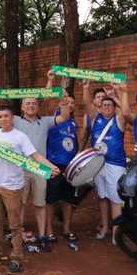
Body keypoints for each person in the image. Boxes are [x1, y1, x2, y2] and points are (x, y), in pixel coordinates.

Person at [0, 83, 70, 250]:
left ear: (38, 106)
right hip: (20, 169)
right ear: (22, 107)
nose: (31, 106)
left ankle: (42, 235)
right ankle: (20, 234)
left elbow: (64, 117)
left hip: (39, 168)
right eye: (27, 103)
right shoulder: (14, 120)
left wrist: (64, 103)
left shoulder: (45, 121)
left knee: (40, 203)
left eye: (34, 103)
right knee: (20, 204)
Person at [0, 107, 59, 274]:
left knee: (15, 225)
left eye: (6, 116)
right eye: (0, 116)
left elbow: (34, 155)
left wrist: (50, 166)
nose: (3, 119)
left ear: (12, 118)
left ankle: (16, 258)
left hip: (13, 187)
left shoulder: (20, 136)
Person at [83, 81, 127, 242]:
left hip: (115, 165)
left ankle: (117, 233)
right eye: (104, 104)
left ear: (114, 107)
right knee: (102, 197)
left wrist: (117, 93)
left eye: (110, 104)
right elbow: (88, 103)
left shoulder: (119, 120)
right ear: (99, 107)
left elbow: (125, 109)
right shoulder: (95, 119)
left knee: (115, 199)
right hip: (98, 164)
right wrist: (86, 88)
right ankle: (105, 226)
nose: (107, 107)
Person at [45, 95, 80, 243]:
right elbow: (47, 99)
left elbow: (75, 144)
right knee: (51, 199)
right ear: (60, 104)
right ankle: (49, 230)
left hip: (70, 167)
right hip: (53, 165)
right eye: (67, 102)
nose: (70, 105)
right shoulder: (52, 119)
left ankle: (67, 228)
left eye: (73, 102)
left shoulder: (73, 123)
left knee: (68, 199)